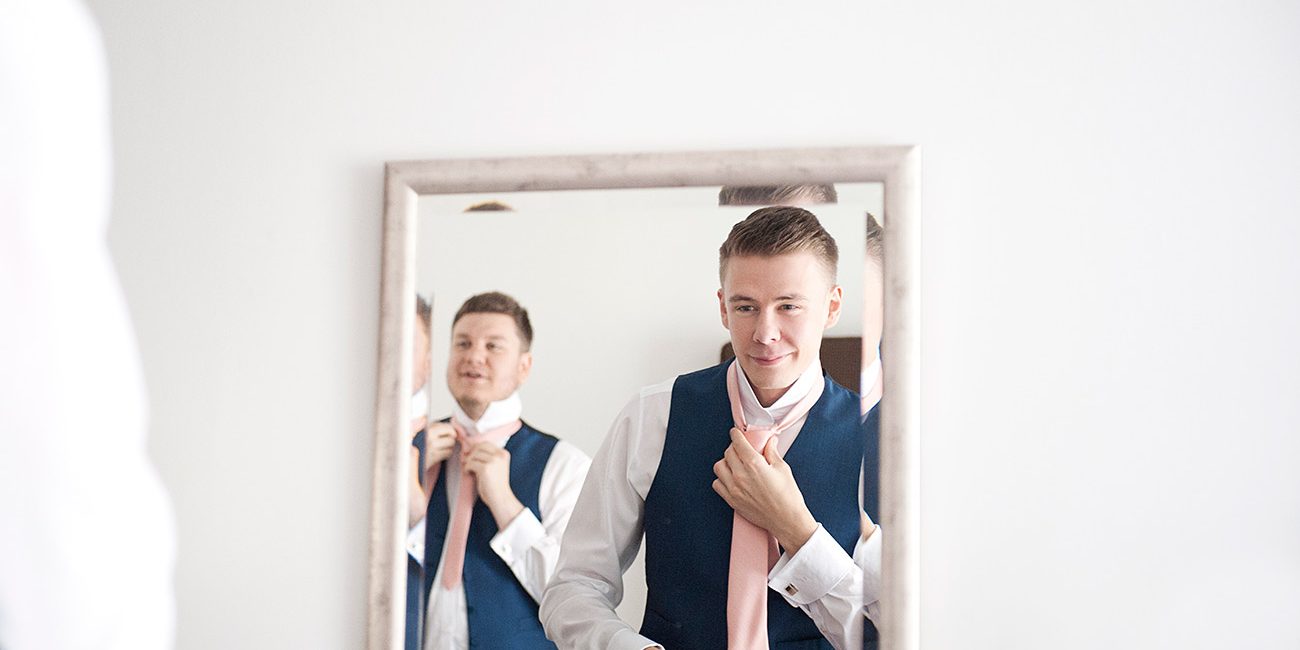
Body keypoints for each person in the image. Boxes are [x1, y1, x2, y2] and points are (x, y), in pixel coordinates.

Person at [540, 207, 880, 649]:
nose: (765, 332)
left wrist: (798, 533)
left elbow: (888, 633)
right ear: (723, 307)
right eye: (746, 307)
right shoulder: (652, 416)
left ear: (831, 306)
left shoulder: (879, 441)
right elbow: (573, 587)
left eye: (788, 306)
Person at [406, 292, 591, 650]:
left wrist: (506, 505)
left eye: (493, 346)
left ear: (524, 366)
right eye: (463, 343)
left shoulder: (564, 465)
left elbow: (574, 597)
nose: (474, 356)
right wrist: (406, 494)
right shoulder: (407, 452)